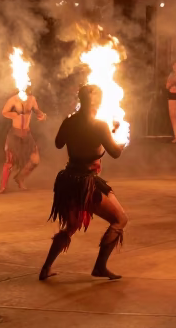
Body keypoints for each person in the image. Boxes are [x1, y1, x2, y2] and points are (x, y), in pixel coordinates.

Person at [39, 84, 127, 281]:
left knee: (71, 226)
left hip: (69, 180)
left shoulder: (70, 121)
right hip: (86, 183)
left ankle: (45, 268)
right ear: (98, 102)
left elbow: (58, 143)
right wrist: (115, 139)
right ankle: (100, 267)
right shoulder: (99, 125)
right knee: (120, 219)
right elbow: (115, 153)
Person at [0, 90, 47, 193]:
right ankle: (3, 187)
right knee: (9, 162)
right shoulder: (13, 100)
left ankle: (20, 178)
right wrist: (13, 115)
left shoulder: (32, 99)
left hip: (26, 134)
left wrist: (41, 115)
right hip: (15, 134)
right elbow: (4, 112)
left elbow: (37, 110)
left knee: (35, 160)